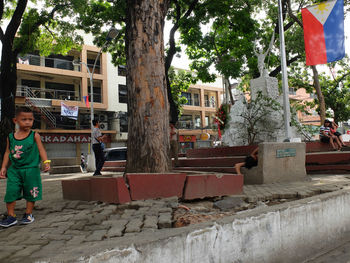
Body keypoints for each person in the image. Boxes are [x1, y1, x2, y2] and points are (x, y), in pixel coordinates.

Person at [0, 107, 50, 228]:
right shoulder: (10, 137)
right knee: (11, 192)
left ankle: (28, 214)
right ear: (15, 120)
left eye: (30, 119)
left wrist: (46, 162)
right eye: (24, 119)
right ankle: (11, 216)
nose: (28, 122)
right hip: (15, 170)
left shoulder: (35, 135)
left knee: (31, 192)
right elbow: (7, 152)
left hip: (31, 169)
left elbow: (41, 149)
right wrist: (3, 167)